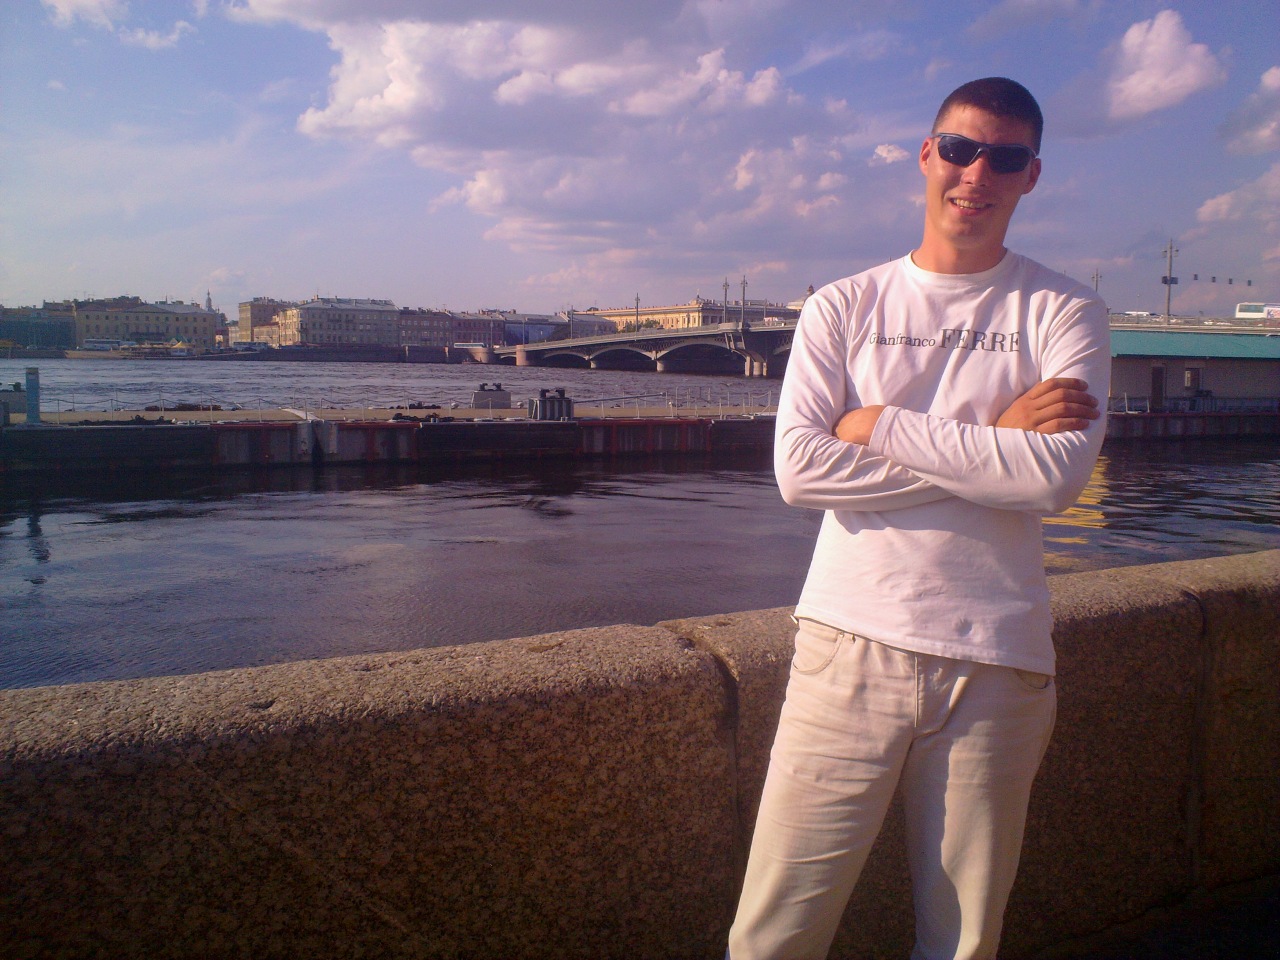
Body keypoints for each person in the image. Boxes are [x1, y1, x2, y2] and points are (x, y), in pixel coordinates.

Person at [726, 77, 1111, 960]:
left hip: (998, 662)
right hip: (846, 646)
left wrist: (876, 426)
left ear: (1031, 175)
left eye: (1005, 157)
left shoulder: (1065, 310)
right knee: (775, 934)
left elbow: (1054, 479)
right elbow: (801, 471)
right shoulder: (843, 305)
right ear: (927, 156)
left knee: (964, 943)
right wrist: (993, 442)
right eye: (961, 150)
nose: (978, 173)